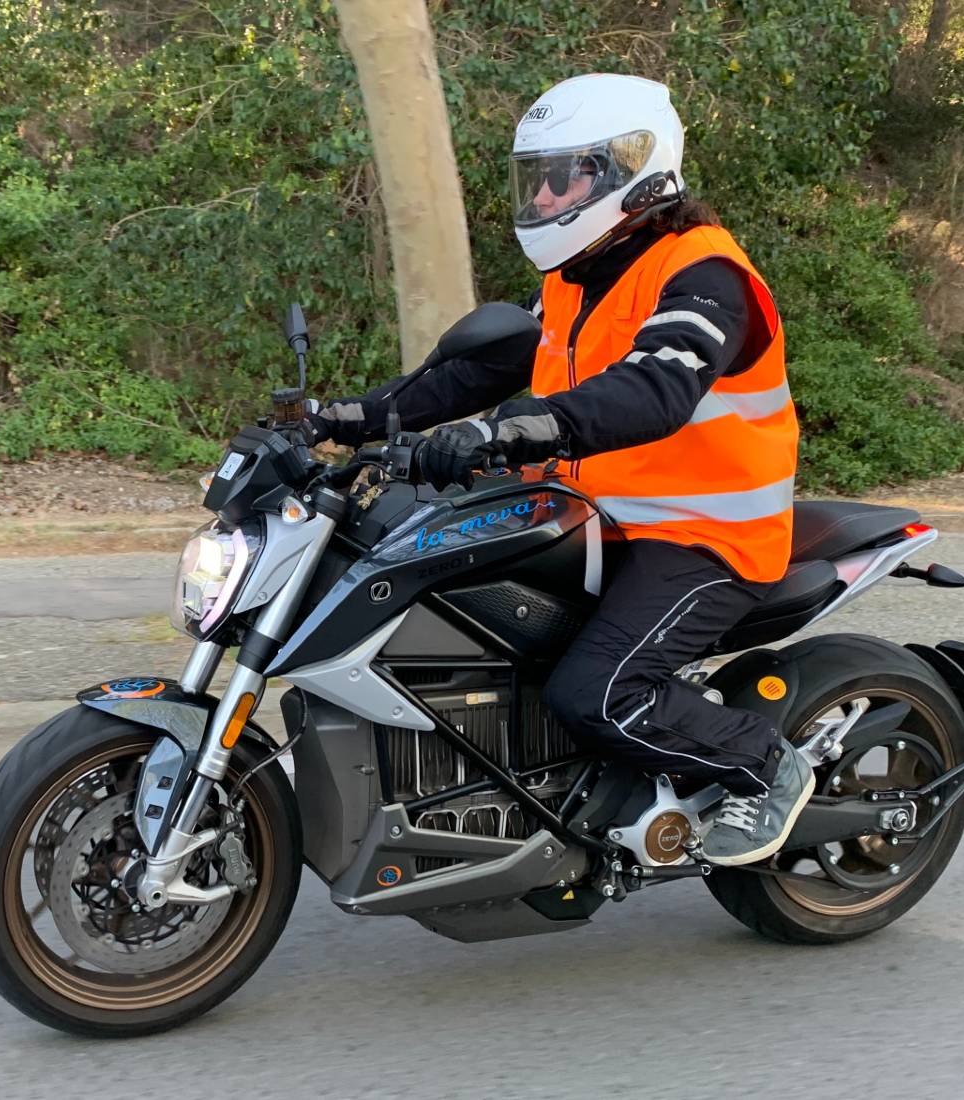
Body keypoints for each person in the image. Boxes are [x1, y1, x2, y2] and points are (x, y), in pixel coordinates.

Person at [307, 74, 810, 866]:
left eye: (563, 177)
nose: (541, 198)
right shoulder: (574, 279)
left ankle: (768, 764)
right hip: (588, 519)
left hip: (704, 536)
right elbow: (477, 372)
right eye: (534, 179)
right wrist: (344, 418)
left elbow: (656, 388)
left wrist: (511, 431)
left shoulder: (706, 276)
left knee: (596, 691)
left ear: (632, 171)